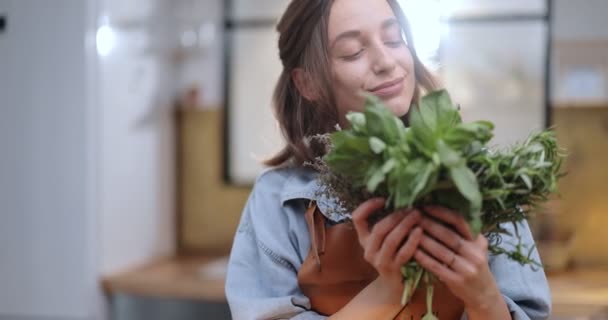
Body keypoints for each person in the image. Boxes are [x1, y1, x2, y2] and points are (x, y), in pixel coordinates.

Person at [225, 0, 552, 319]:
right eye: (353, 51)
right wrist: (393, 288)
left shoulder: (478, 176)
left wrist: (482, 294)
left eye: (394, 39)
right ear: (307, 82)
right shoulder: (278, 201)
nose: (385, 61)